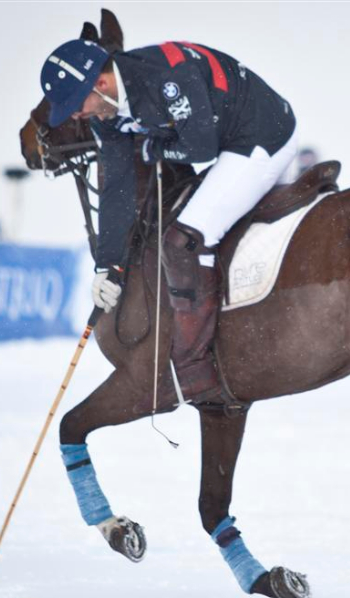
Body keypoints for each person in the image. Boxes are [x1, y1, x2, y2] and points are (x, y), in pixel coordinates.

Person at [39, 38, 298, 403]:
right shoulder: (106, 115)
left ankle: (197, 362)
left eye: (76, 105)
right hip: (226, 140)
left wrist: (151, 147)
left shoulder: (166, 78)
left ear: (100, 84)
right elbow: (117, 185)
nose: (77, 116)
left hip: (262, 135)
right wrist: (107, 263)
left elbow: (200, 147)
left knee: (183, 240)